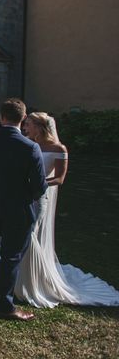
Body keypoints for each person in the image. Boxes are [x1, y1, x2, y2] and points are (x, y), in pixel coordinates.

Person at [15, 112, 119, 308]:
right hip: (24, 196)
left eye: (28, 125)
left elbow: (60, 178)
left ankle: (33, 282)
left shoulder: (58, 148)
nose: (25, 128)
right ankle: (23, 279)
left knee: (31, 234)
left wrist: (37, 184)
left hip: (40, 196)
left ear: (40, 127)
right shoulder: (29, 144)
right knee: (24, 234)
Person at [0, 99, 48, 321]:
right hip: (17, 207)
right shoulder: (30, 146)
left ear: (1, 117)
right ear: (23, 119)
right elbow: (39, 185)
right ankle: (4, 306)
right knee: (11, 255)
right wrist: (27, 196)